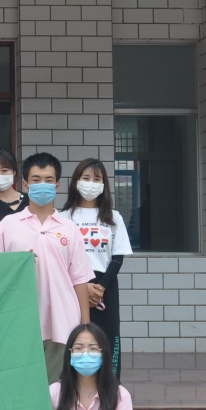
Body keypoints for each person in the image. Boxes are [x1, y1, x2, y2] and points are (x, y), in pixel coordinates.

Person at [0, 151, 96, 410]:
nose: (43, 186)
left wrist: (84, 330)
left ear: (58, 185)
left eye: (49, 180)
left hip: (62, 330)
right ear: (25, 184)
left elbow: (81, 281)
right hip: (21, 331)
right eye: (36, 180)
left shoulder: (69, 228)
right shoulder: (9, 226)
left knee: (58, 407)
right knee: (24, 405)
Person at [62, 158, 132, 377]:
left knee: (107, 339)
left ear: (104, 184)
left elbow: (118, 258)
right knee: (74, 338)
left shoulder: (114, 217)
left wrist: (100, 288)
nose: (90, 183)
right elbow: (60, 259)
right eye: (85, 178)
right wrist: (83, 287)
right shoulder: (63, 218)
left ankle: (110, 389)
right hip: (73, 285)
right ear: (75, 181)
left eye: (96, 179)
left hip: (105, 287)